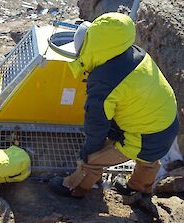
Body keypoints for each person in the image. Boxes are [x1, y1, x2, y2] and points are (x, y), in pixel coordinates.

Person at [49, 12, 178, 202]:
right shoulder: (133, 53)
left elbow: (96, 123)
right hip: (167, 124)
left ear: (92, 47)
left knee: (93, 157)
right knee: (148, 160)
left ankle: (76, 187)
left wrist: (90, 150)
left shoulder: (104, 81)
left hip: (144, 137)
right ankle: (139, 188)